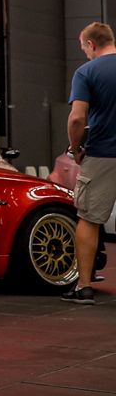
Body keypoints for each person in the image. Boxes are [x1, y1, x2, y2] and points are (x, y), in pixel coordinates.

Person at [64, 21, 116, 303]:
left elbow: (77, 118)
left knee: (88, 219)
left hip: (102, 155)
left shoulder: (87, 72)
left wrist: (75, 149)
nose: (85, 53)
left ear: (91, 44)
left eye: (84, 48)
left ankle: (83, 287)